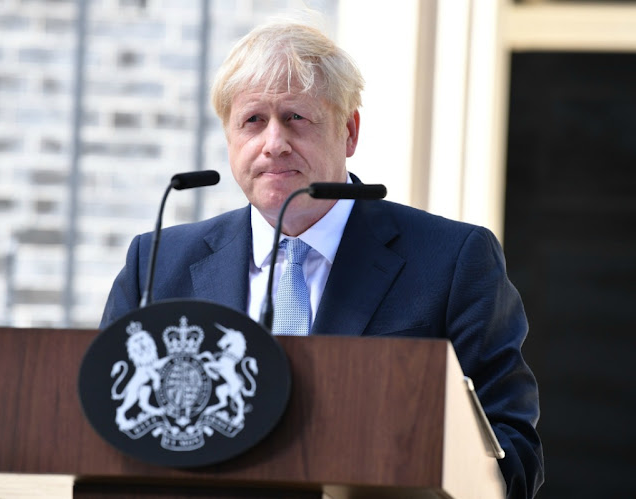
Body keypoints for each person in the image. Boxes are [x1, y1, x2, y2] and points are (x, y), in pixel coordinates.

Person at [101, 21, 543, 499]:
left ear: (349, 131)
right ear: (229, 137)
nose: (273, 143)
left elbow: (513, 453)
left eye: (295, 118)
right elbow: (102, 424)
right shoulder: (157, 263)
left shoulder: (452, 260)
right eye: (253, 121)